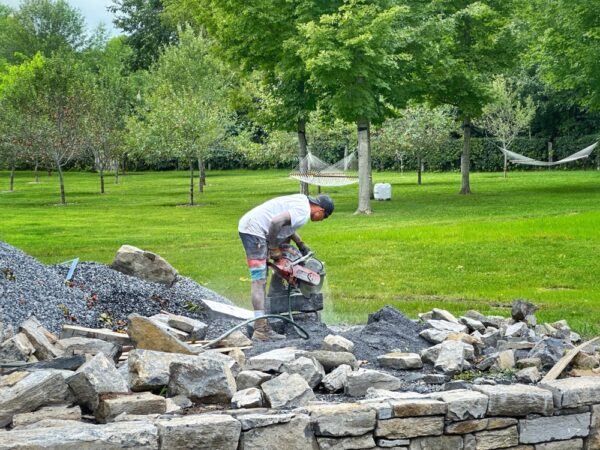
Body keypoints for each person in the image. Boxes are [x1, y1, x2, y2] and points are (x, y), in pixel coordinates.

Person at [238, 193, 334, 340]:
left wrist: (301, 244)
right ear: (320, 210)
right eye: (324, 217)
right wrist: (274, 247)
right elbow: (276, 222)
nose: (322, 220)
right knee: (259, 280)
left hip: (251, 226)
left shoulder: (301, 201)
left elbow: (287, 226)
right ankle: (260, 329)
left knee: (264, 275)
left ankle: (276, 290)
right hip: (254, 231)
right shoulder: (303, 211)